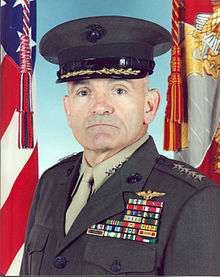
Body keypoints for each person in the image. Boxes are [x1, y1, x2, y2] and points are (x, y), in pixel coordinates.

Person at [20, 16, 220, 276]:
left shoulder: (192, 199)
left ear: (149, 106)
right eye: (83, 92)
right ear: (67, 109)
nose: (100, 106)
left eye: (119, 90)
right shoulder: (50, 182)